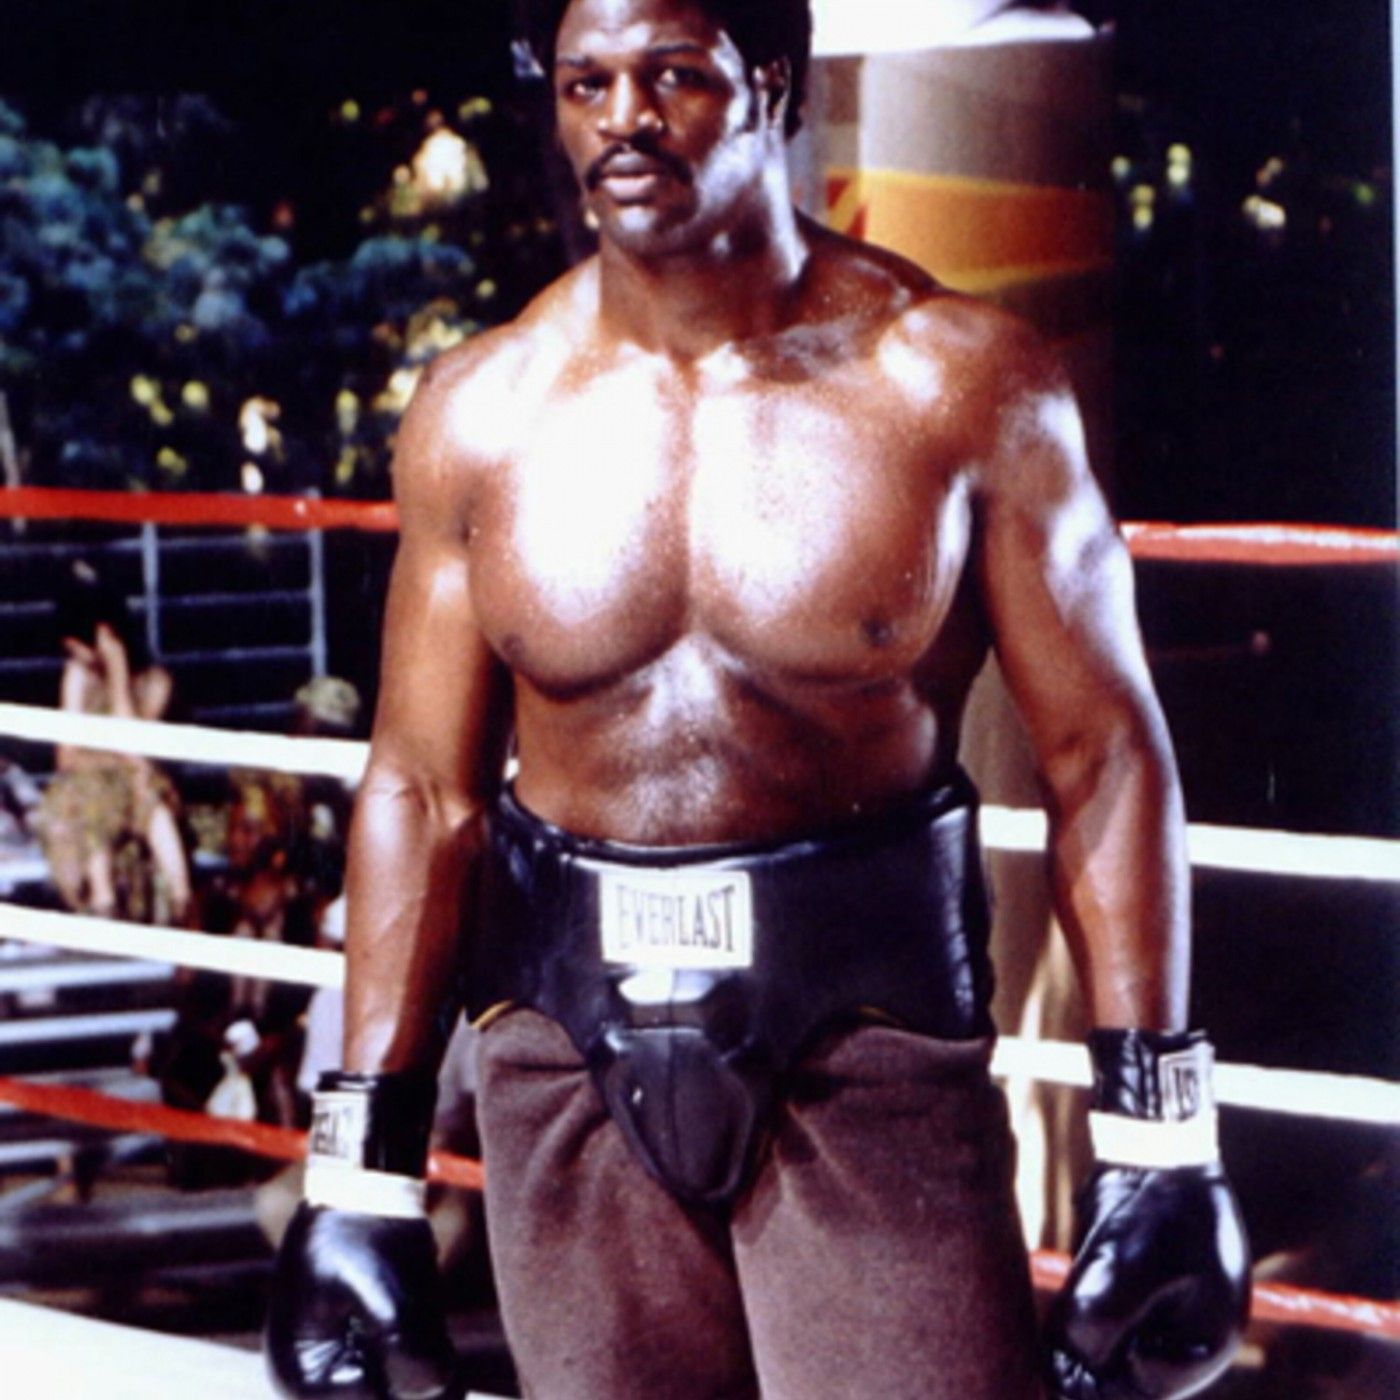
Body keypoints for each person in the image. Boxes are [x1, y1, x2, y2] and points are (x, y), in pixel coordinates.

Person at [266, 2, 1250, 1396]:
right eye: (586, 83)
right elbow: (420, 787)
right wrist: (356, 1174)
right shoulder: (481, 411)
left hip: (864, 1042)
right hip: (562, 1051)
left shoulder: (956, 381)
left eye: (672, 75)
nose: (624, 119)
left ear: (768, 85)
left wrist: (1160, 1137)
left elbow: (1103, 752)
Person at [37, 559, 192, 925]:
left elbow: (134, 746)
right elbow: (67, 757)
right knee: (94, 798)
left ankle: (183, 901)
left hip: (132, 782)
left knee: (150, 798)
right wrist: (117, 761)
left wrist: (118, 674)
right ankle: (103, 903)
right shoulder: (77, 676)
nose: (75, 656)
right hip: (87, 783)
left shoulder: (155, 682)